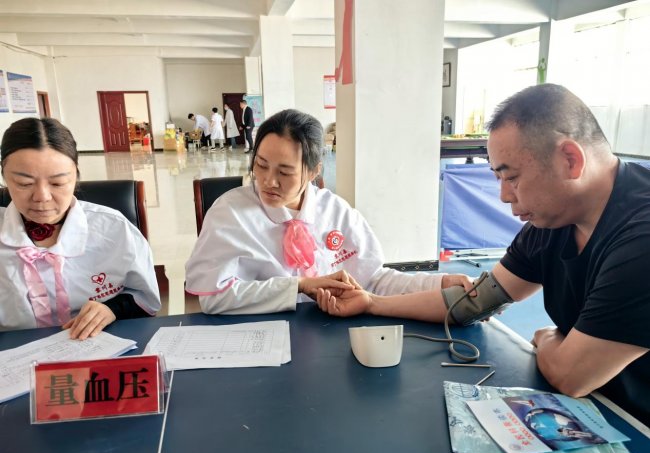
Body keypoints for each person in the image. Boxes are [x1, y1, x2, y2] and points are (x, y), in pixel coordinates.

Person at [316, 84, 650, 426]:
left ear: (570, 160)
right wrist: (372, 303)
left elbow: (570, 375)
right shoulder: (554, 220)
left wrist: (548, 337)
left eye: (512, 177)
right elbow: (475, 302)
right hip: (598, 409)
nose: (504, 196)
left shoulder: (641, 238)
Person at [185, 108, 472, 315]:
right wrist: (299, 286)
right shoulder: (230, 213)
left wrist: (439, 283)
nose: (268, 181)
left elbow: (374, 280)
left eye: (285, 172)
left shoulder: (335, 211)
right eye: (261, 165)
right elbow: (214, 298)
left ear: (314, 171)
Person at [0, 118, 161, 339]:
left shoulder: (114, 229)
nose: (42, 197)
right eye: (24, 184)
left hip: (97, 348)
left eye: (57, 183)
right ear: (4, 177)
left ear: (76, 175)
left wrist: (112, 309)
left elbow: (145, 298)